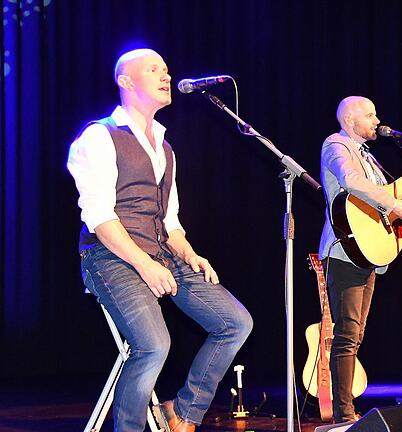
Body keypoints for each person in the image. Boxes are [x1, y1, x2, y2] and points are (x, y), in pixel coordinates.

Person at [67, 48, 252, 432]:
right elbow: (101, 219)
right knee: (153, 344)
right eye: (154, 69)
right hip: (110, 258)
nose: (166, 76)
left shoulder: (166, 147)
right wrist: (145, 264)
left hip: (161, 254)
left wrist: (190, 253)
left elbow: (171, 222)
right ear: (126, 81)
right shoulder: (99, 137)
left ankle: (182, 413)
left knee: (235, 322)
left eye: (167, 69)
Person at [318, 96, 402, 423]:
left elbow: (393, 204)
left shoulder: (370, 156)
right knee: (347, 334)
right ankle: (343, 416)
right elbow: (351, 182)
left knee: (356, 335)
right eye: (370, 115)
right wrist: (392, 202)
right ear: (349, 120)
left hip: (369, 251)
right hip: (345, 251)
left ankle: (347, 411)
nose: (377, 120)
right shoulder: (337, 144)